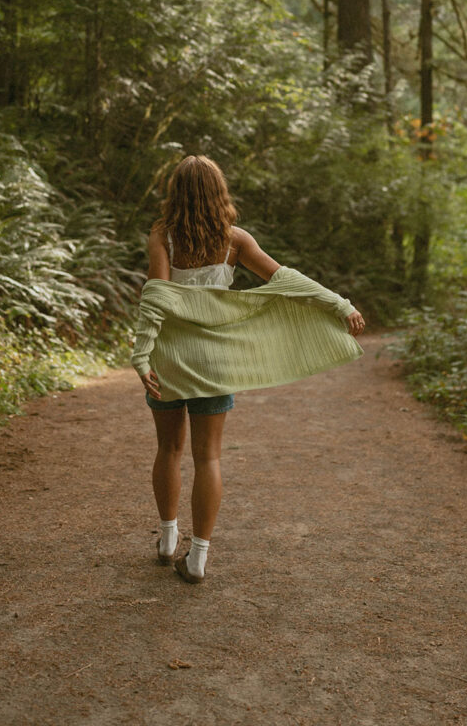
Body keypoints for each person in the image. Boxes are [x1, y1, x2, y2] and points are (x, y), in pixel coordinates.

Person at [134, 155, 365, 584]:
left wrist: (141, 354)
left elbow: (157, 297)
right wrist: (340, 304)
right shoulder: (234, 240)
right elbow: (286, 279)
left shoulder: (161, 237)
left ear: (176, 194)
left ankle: (168, 540)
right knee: (209, 457)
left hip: (169, 359)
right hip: (215, 362)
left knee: (168, 449)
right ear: (219, 193)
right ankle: (198, 557)